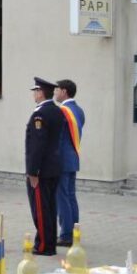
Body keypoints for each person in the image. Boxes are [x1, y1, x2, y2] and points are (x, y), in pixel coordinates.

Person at [25, 77, 64, 256]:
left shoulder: (40, 114)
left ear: (41, 93)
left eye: (35, 91)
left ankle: (44, 245)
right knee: (50, 207)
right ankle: (48, 242)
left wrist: (33, 171)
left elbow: (37, 145)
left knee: (40, 208)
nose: (34, 94)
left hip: (41, 170)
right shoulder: (57, 111)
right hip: (53, 166)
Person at [54, 79, 85, 245]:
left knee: (62, 197)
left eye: (57, 90)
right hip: (73, 157)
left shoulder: (63, 111)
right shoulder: (78, 110)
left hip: (62, 160)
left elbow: (57, 138)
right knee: (71, 196)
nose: (55, 93)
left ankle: (66, 235)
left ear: (64, 91)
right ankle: (75, 232)